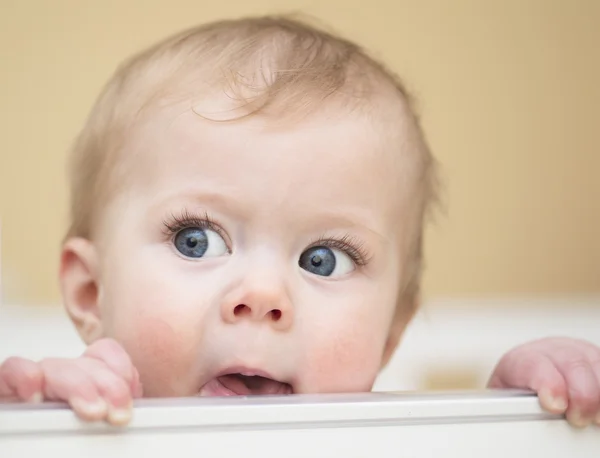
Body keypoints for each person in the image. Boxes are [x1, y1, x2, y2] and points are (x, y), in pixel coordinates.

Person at [1, 15, 598, 429]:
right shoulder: (71, 426)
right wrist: (33, 430)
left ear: (391, 331)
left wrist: (517, 416)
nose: (262, 296)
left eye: (324, 258)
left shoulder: (400, 442)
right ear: (90, 290)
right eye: (196, 240)